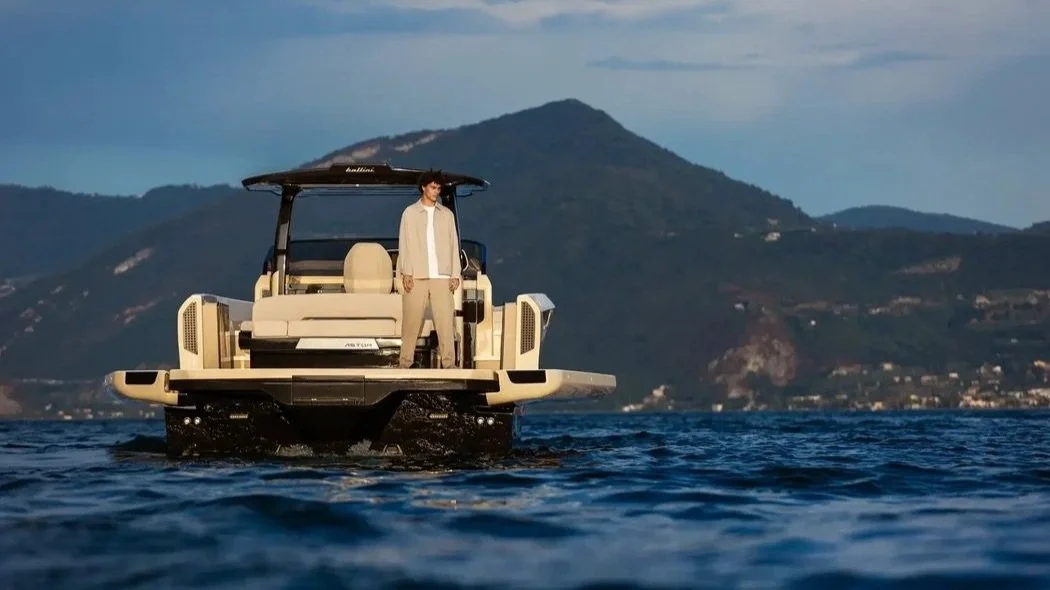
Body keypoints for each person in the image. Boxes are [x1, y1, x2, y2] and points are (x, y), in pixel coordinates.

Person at [396, 169, 461, 368]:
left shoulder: (447, 215)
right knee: (411, 323)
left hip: (442, 276)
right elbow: (404, 244)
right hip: (417, 275)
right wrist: (406, 272)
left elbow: (454, 244)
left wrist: (455, 273)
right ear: (424, 187)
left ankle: (449, 365)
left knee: (445, 324)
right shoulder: (409, 213)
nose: (436, 191)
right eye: (433, 187)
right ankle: (404, 364)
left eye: (439, 188)